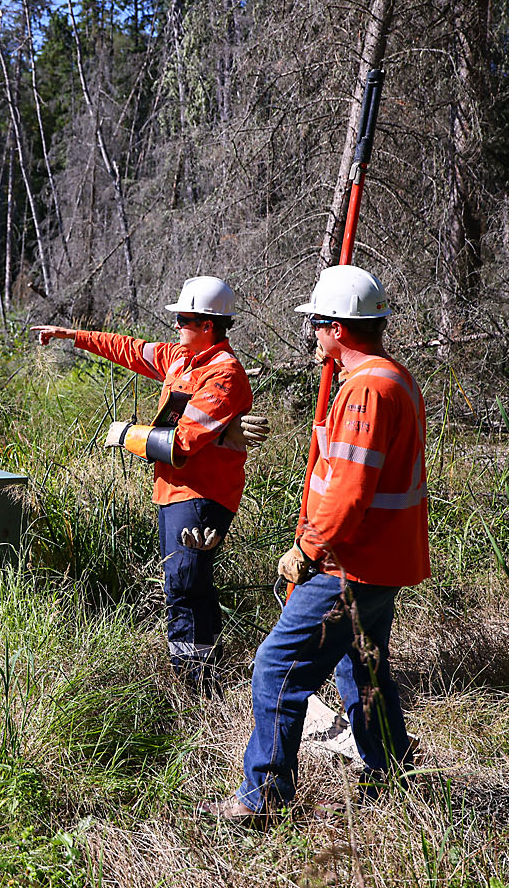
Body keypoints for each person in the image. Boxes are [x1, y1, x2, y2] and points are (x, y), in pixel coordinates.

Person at [202, 264, 428, 823]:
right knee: (363, 664)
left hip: (346, 562)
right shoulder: (393, 377)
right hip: (379, 561)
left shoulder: (366, 391)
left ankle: (264, 799)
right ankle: (393, 773)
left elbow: (349, 489)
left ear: (337, 328)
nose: (314, 336)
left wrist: (308, 550)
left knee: (277, 668)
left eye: (318, 326)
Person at [33, 276, 255, 688]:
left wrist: (126, 434)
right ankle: (209, 679)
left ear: (208, 325)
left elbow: (181, 444)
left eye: (184, 319)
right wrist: (74, 336)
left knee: (184, 586)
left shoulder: (223, 375)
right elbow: (131, 349)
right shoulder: (182, 359)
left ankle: (195, 686)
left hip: (202, 496)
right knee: (191, 583)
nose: (176, 326)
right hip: (175, 494)